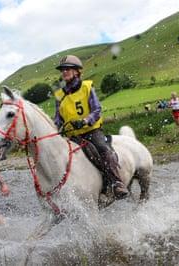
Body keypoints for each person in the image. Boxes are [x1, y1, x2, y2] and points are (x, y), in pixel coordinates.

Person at [53, 55, 128, 202]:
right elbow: (58, 119)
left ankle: (116, 182)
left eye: (67, 69)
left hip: (91, 132)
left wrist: (85, 121)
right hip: (72, 136)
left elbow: (97, 109)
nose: (64, 72)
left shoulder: (87, 87)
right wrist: (53, 131)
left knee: (103, 150)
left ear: (76, 71)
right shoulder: (59, 95)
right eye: (62, 70)